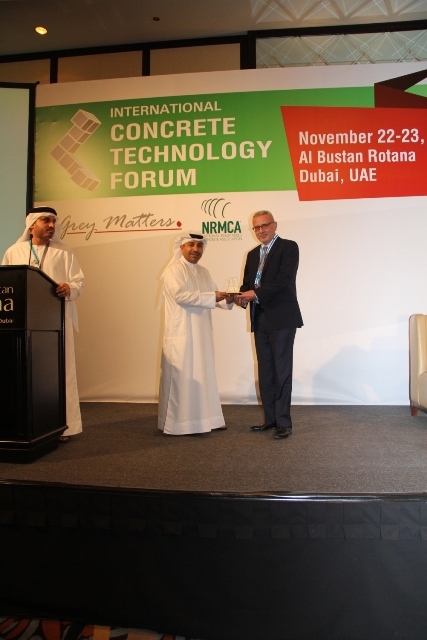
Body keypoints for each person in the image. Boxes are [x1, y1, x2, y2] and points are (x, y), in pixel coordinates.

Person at [2, 206, 85, 441]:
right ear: (32, 225)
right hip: (23, 323)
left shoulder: (64, 252)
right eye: (45, 221)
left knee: (60, 371)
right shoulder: (14, 251)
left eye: (53, 222)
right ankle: (26, 426)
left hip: (56, 321)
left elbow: (79, 281)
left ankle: (64, 426)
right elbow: (5, 283)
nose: (51, 225)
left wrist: (70, 288)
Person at [235, 211, 303, 440]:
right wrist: (239, 297)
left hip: (282, 318)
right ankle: (270, 419)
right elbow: (247, 284)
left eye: (265, 225)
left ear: (274, 225)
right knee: (265, 371)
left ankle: (284, 423)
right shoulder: (252, 254)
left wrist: (255, 294)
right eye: (256, 227)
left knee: (281, 371)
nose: (261, 230)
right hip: (260, 318)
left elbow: (284, 281)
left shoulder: (288, 247)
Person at [158, 232, 233, 435]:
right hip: (181, 334)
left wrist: (230, 298)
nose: (195, 249)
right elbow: (180, 296)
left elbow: (214, 296)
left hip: (202, 334)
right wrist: (214, 296)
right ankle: (180, 424)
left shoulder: (204, 272)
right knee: (183, 378)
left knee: (204, 373)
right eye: (191, 245)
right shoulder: (173, 270)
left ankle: (210, 419)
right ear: (181, 247)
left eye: (199, 246)